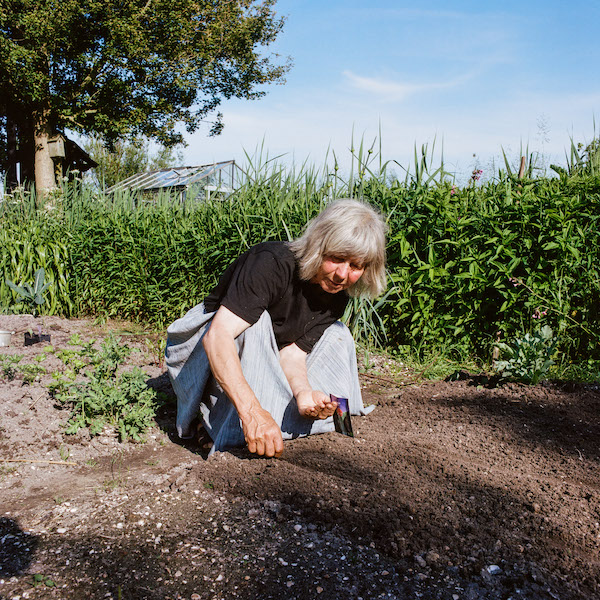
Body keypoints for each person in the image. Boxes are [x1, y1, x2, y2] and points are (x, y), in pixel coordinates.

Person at [165, 198, 387, 457]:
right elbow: (218, 337)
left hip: (264, 357)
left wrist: (303, 393)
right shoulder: (271, 263)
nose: (342, 275)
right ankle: (215, 419)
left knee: (339, 334)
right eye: (337, 258)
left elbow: (292, 353)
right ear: (318, 245)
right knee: (256, 325)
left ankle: (313, 419)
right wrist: (252, 414)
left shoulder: (337, 295)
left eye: (356, 266)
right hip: (205, 349)